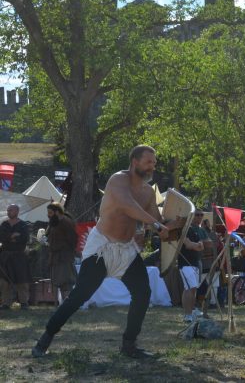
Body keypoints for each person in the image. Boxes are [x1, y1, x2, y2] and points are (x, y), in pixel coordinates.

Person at [32, 145, 169, 358]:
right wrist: (158, 225)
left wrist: (173, 226)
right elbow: (126, 205)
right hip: (102, 247)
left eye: (154, 162)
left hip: (126, 250)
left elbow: (157, 221)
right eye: (148, 161)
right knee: (79, 296)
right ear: (135, 162)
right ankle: (44, 340)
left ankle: (129, 345)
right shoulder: (117, 180)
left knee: (142, 293)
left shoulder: (148, 192)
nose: (153, 166)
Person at [0, 204, 31, 309]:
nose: (8, 212)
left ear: (17, 211)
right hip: (5, 256)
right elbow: (1, 237)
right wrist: (12, 236)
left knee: (22, 280)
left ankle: (24, 302)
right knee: (4, 281)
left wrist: (10, 238)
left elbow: (25, 238)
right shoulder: (4, 224)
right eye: (8, 210)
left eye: (11, 210)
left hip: (19, 255)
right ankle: (5, 303)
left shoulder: (23, 225)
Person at [45, 202, 78, 304]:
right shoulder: (54, 222)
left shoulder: (66, 222)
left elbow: (73, 240)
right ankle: (61, 305)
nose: (48, 215)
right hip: (55, 257)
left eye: (50, 213)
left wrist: (64, 249)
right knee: (58, 281)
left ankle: (68, 306)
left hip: (64, 257)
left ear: (57, 212)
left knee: (66, 283)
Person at [179, 215, 204, 323]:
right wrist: (196, 245)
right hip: (185, 264)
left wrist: (196, 245)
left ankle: (191, 311)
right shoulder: (181, 230)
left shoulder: (194, 230)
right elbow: (188, 245)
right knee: (189, 288)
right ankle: (187, 314)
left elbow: (201, 246)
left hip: (194, 263)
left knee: (193, 288)